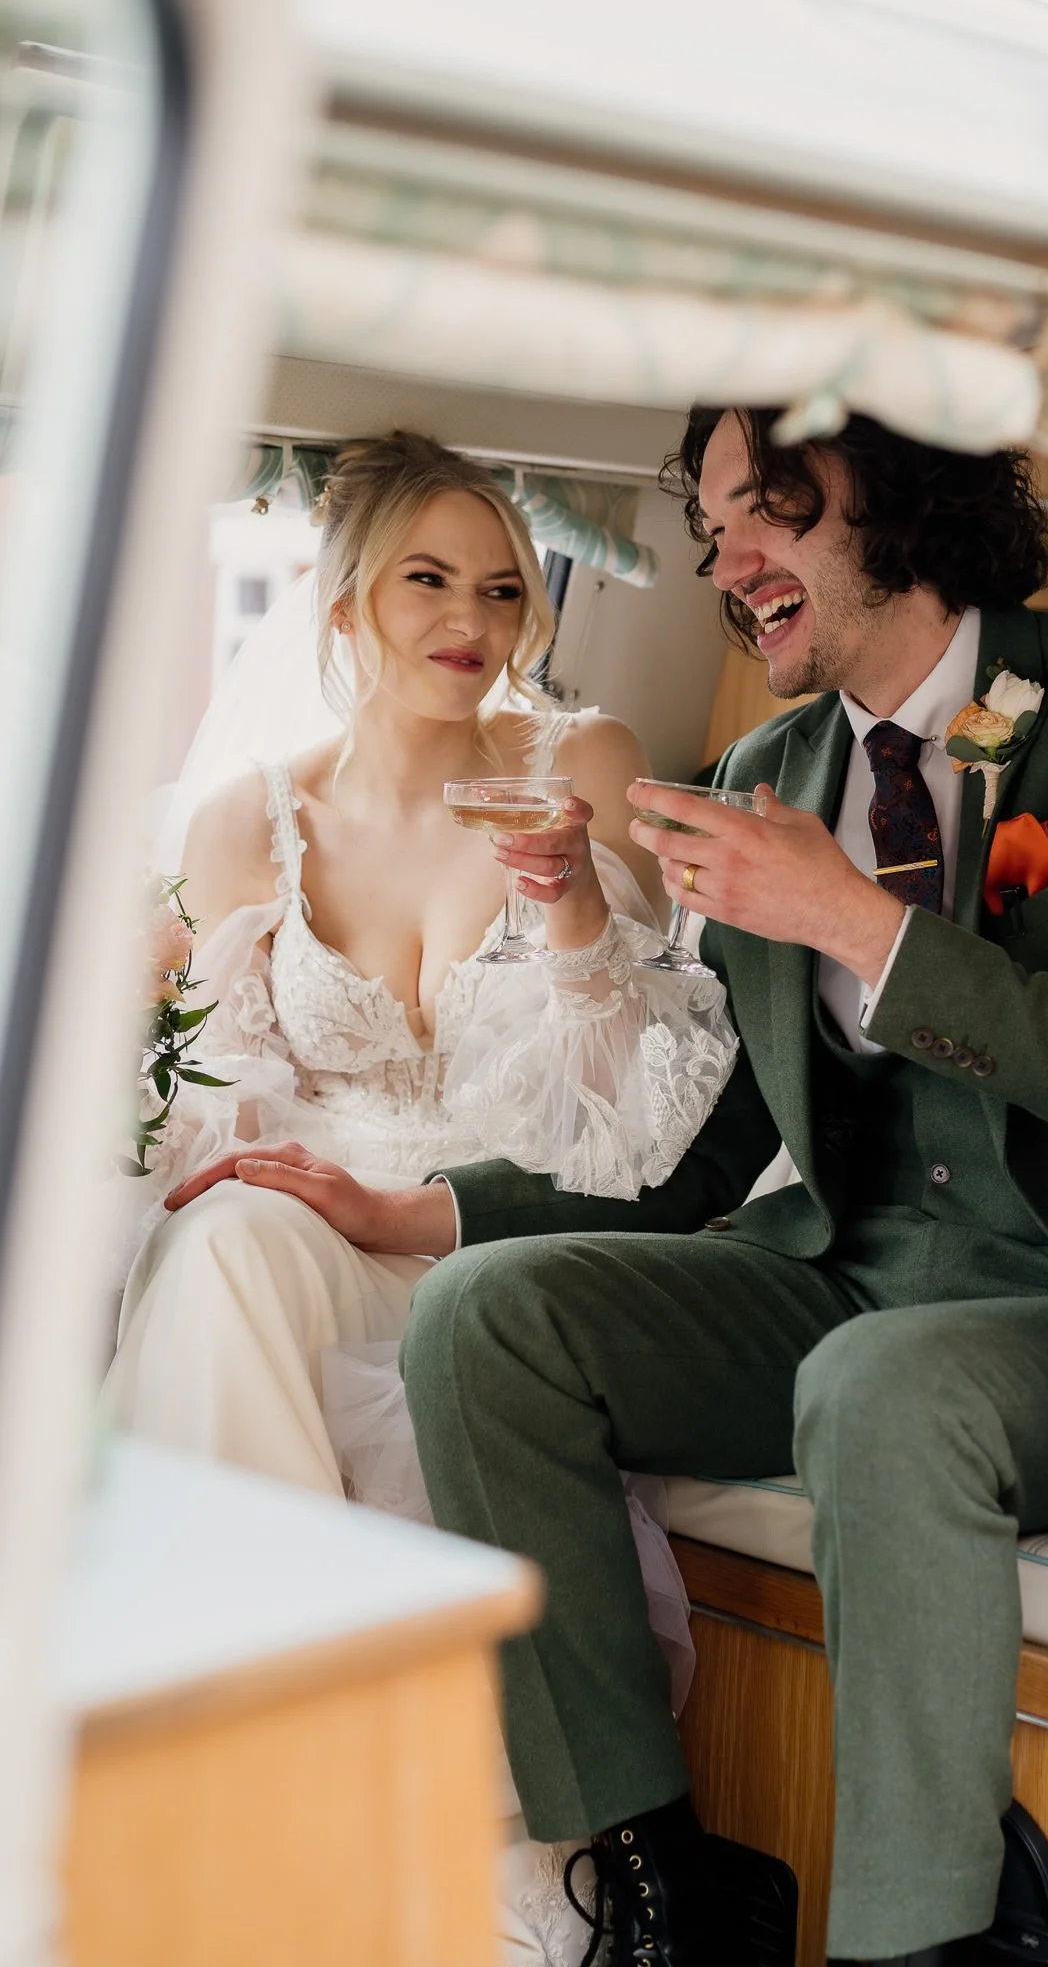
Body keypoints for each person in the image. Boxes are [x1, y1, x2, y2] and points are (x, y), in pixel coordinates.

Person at [226, 408, 1048, 1966]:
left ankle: (919, 1940)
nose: (731, 562)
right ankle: (661, 1889)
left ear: (901, 496)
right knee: (489, 1321)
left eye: (768, 511)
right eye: (711, 530)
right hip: (840, 1280)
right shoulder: (768, 768)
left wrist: (865, 926)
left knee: (881, 1385)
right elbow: (707, 1144)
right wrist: (429, 1218)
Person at [100, 430, 736, 1967]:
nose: (471, 616)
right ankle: (262, 1798)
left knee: (293, 1263)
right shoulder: (249, 822)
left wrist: (571, 902)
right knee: (224, 1242)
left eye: (504, 587)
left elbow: (647, 1111)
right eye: (428, 580)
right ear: (345, 607)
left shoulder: (580, 764)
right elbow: (214, 1097)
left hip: (510, 1225)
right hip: (316, 1225)